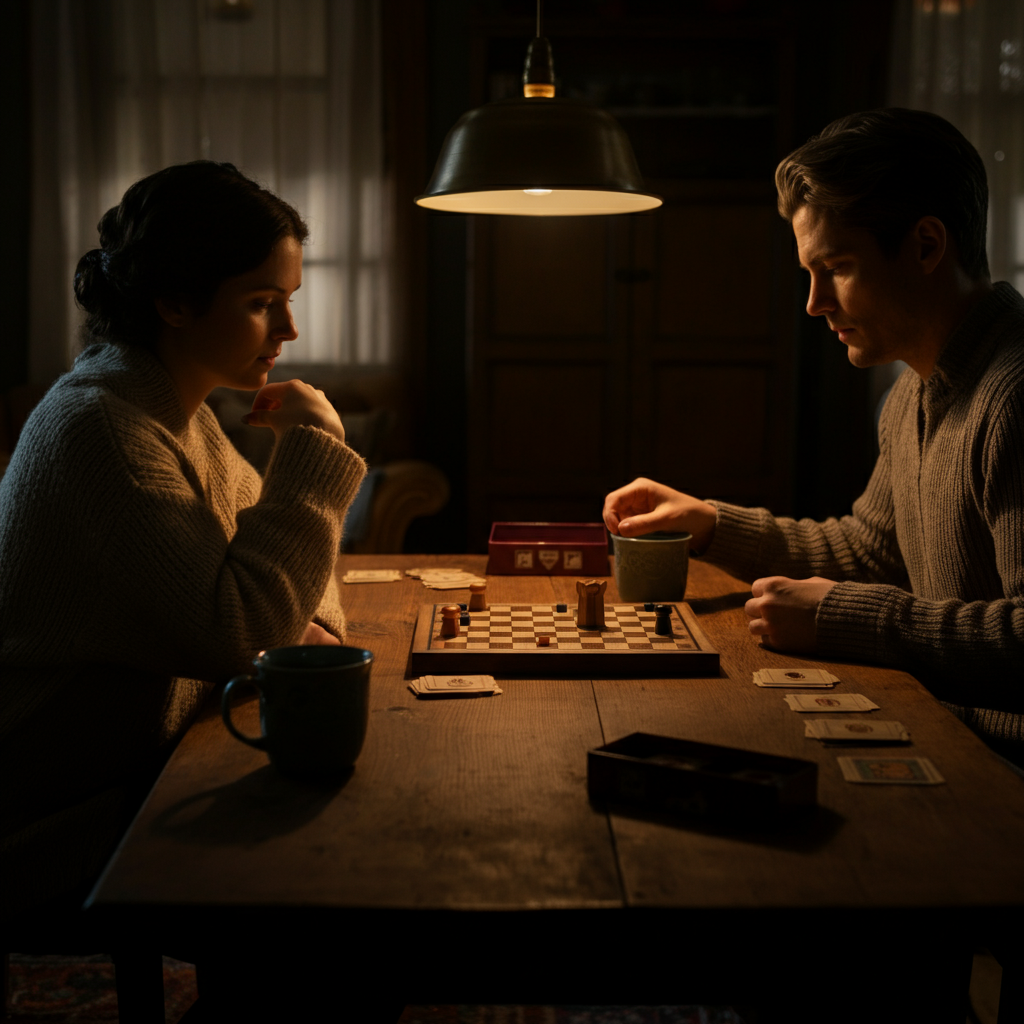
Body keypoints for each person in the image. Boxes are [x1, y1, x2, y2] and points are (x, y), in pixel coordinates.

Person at [603, 109, 1024, 768]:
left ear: (926, 246)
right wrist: (712, 524)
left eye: (838, 266)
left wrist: (848, 619)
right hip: (951, 745)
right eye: (810, 271)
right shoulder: (912, 390)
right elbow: (870, 553)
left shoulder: (1015, 395)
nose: (814, 302)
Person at [0, 162, 367, 918]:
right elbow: (249, 631)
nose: (289, 330)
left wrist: (287, 621)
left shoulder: (171, 410)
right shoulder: (106, 431)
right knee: (348, 888)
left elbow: (291, 589)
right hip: (50, 811)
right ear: (173, 302)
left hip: (143, 767)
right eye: (263, 303)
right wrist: (316, 446)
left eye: (287, 301)